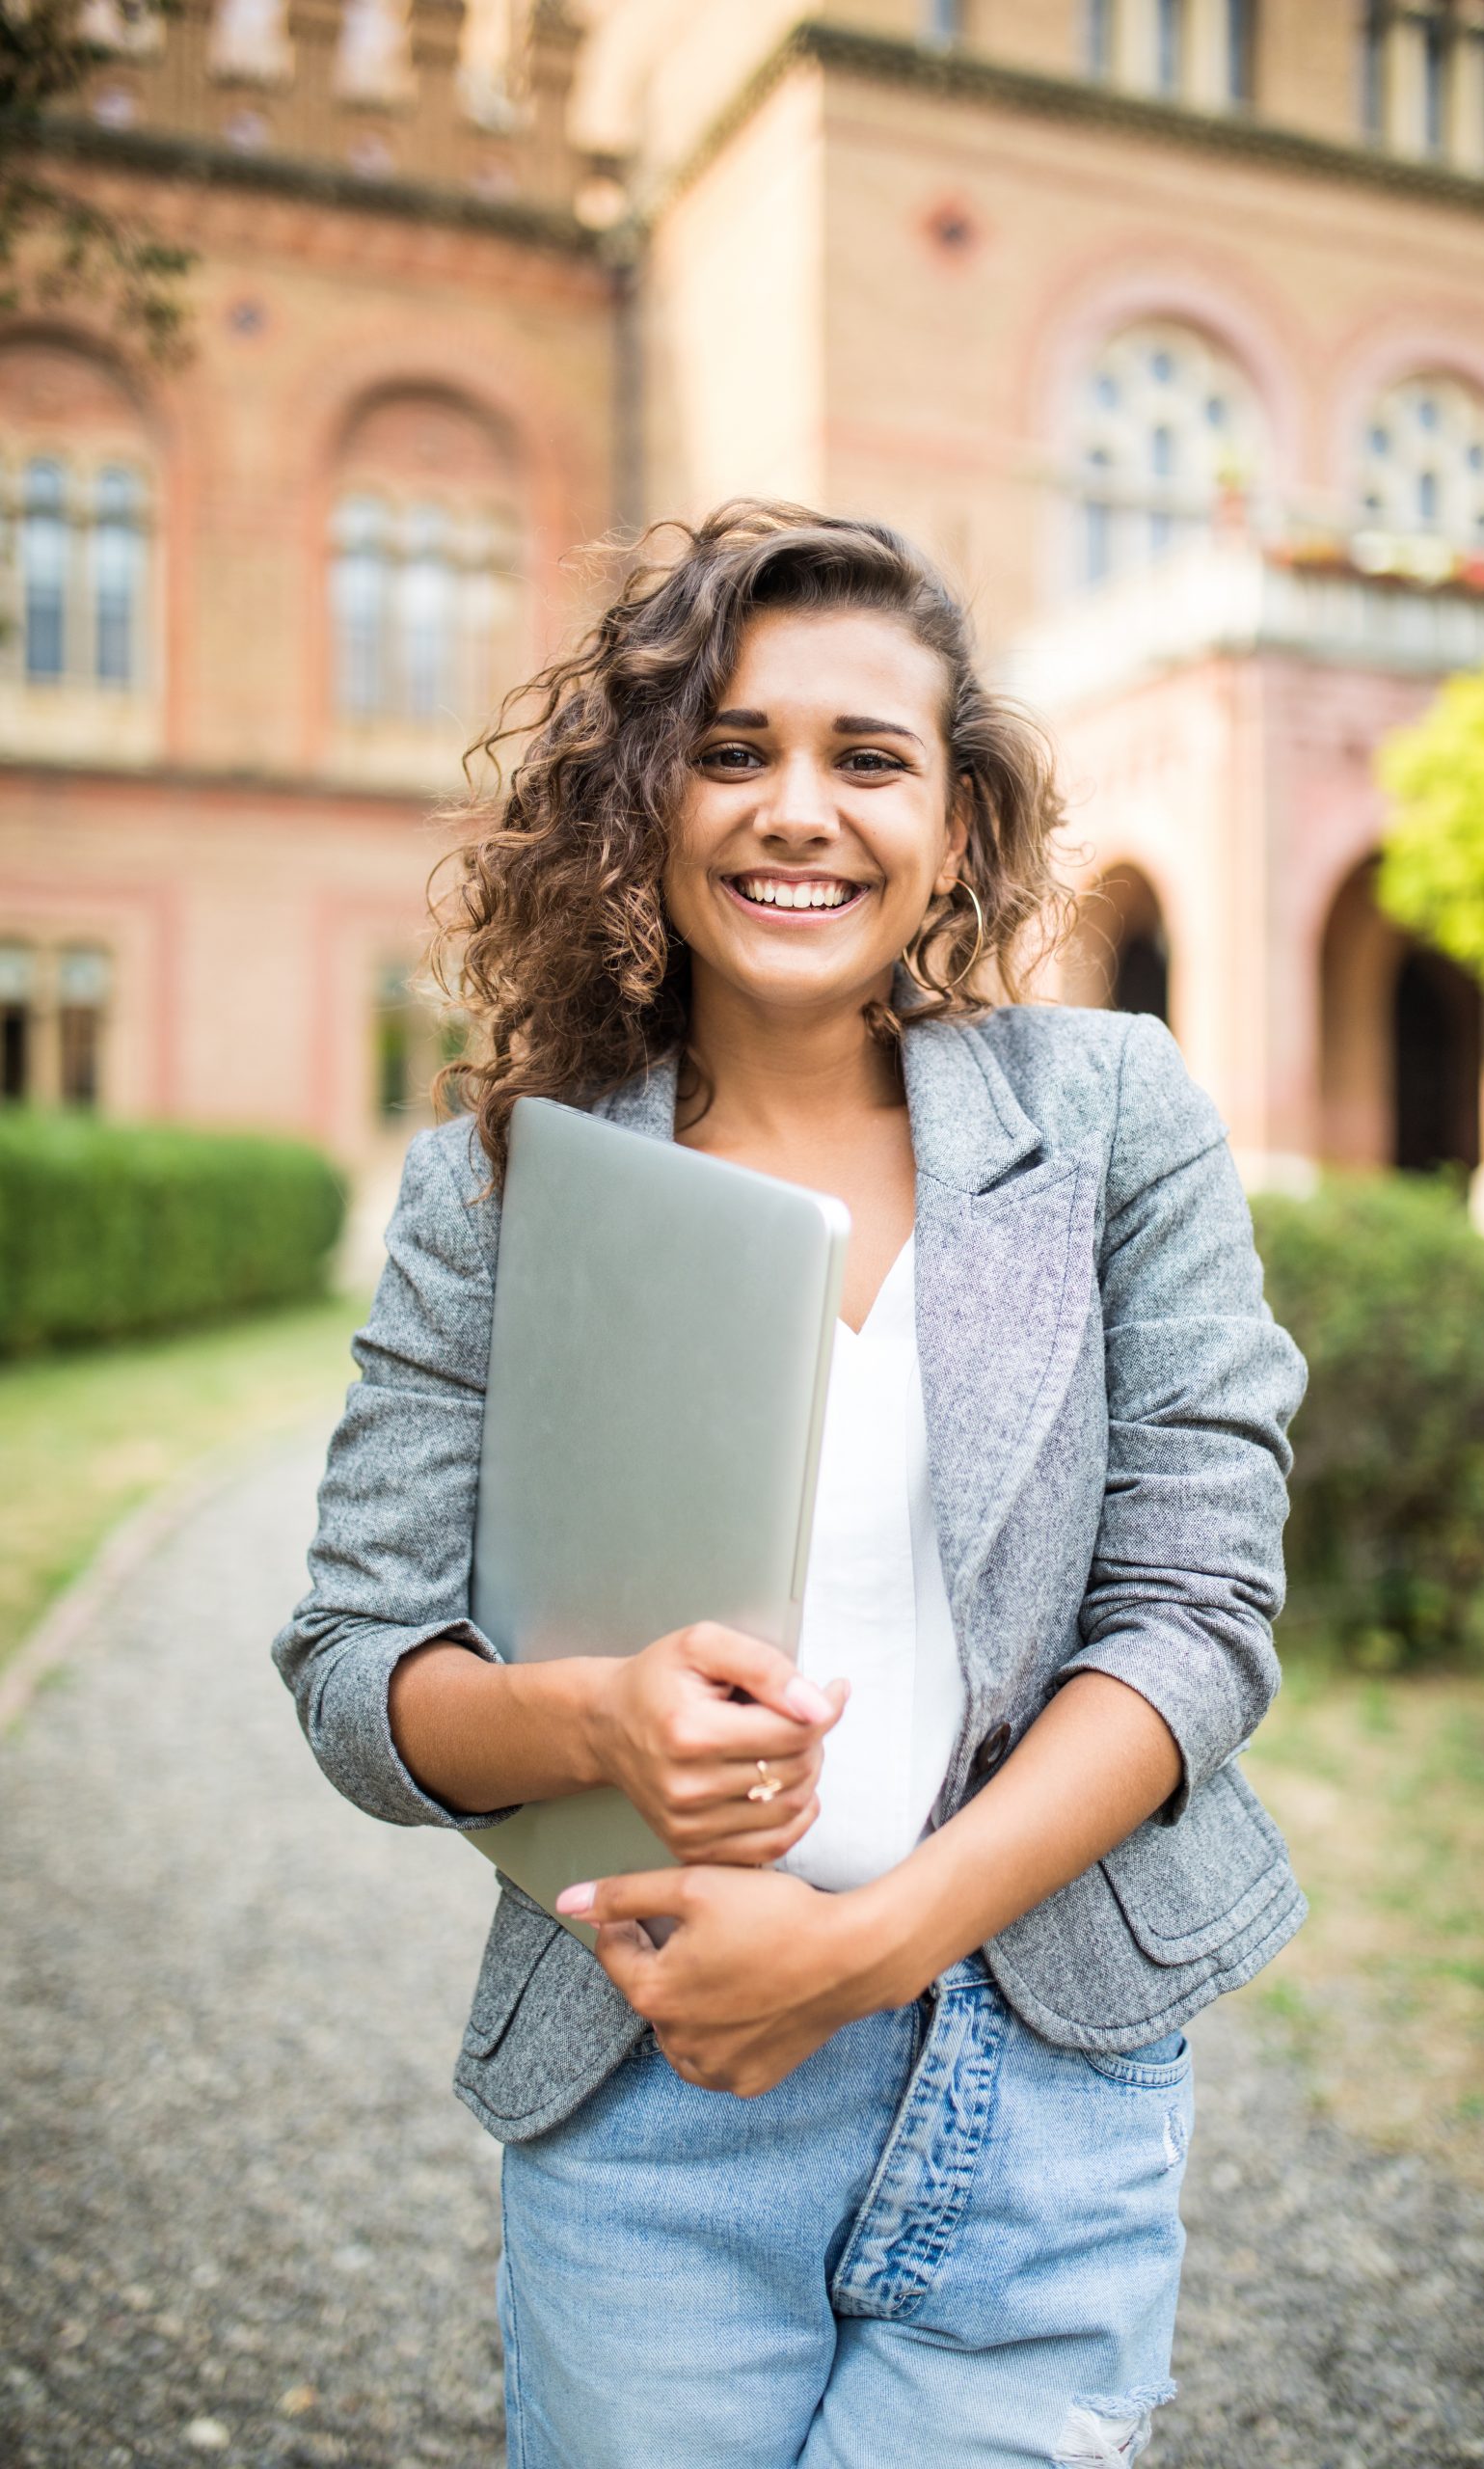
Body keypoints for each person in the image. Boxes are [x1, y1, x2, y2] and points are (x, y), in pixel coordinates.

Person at [274, 501, 1308, 2469]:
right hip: (652, 2094)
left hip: (1046, 2067)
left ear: (957, 822)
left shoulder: (1113, 1118)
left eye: (866, 757)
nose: (794, 810)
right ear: (641, 804)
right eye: (730, 750)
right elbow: (350, 1658)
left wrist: (864, 1944)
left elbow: (1196, 1616)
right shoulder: (497, 1188)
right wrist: (586, 1713)